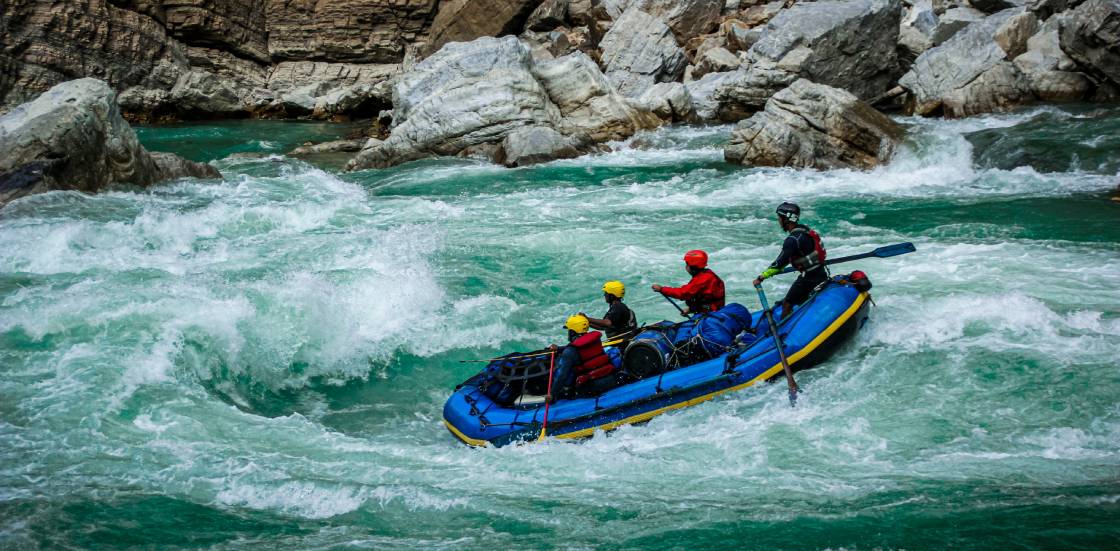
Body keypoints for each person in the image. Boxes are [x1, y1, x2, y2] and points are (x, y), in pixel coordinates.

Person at [753, 202, 828, 320]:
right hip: (821, 273)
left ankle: (784, 332)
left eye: (779, 217)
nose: (778, 220)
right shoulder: (805, 230)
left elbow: (779, 263)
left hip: (808, 279)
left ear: (786, 220)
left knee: (787, 304)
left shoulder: (792, 240)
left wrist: (761, 277)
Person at [546, 315, 615, 402]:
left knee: (564, 390)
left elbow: (561, 376)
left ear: (572, 332)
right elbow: (578, 348)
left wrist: (552, 394)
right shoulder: (595, 340)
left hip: (591, 386)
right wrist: (559, 349)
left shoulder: (570, 351)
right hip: (610, 378)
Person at [651, 250, 725, 316]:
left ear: (691, 267)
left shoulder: (702, 279)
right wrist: (691, 309)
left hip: (709, 314)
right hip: (714, 311)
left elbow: (683, 293)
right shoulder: (708, 274)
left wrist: (662, 289)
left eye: (687, 264)